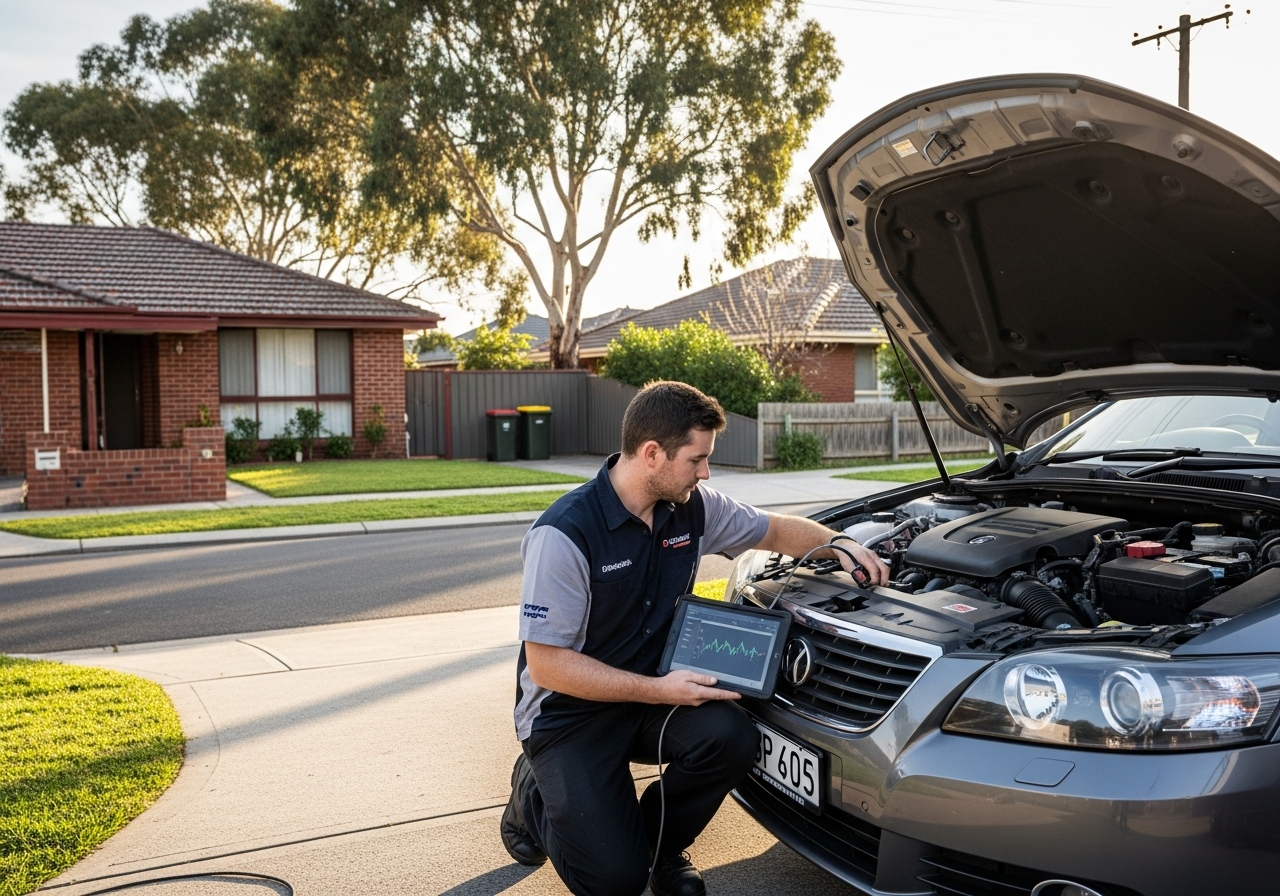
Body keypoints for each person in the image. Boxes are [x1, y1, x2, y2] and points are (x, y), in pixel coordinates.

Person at [500, 381, 887, 896]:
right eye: (697, 460)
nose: (706, 473)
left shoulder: (694, 507)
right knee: (613, 881)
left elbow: (773, 530)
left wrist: (837, 544)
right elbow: (548, 667)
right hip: (569, 712)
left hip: (654, 692)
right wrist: (662, 691)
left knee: (731, 738)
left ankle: (659, 851)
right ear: (652, 454)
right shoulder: (565, 534)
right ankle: (533, 788)